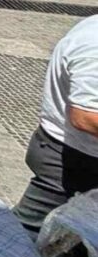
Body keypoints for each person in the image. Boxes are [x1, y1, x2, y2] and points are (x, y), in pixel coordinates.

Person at [13, 15, 98, 239]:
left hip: (78, 156)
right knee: (23, 240)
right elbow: (86, 116)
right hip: (72, 161)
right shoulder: (94, 43)